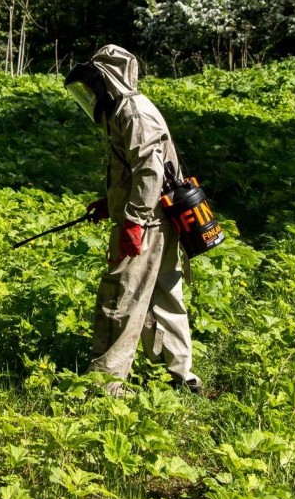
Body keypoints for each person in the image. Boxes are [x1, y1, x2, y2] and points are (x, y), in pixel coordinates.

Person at [64, 44, 202, 396]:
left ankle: (104, 385)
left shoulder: (134, 112)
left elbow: (150, 171)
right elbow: (132, 170)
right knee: (162, 294)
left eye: (94, 85)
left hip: (149, 220)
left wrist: (133, 221)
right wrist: (110, 203)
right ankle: (179, 377)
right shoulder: (121, 110)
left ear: (107, 79)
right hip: (151, 216)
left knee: (120, 295)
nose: (91, 94)